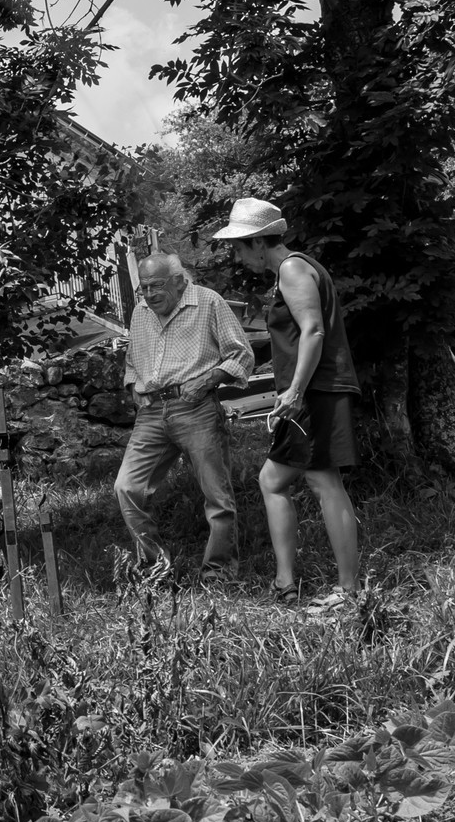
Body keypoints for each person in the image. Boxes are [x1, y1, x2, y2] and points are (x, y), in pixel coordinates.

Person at [212, 198, 361, 608]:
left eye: (240, 247)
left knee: (320, 481)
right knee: (282, 480)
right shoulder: (290, 271)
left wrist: (294, 391)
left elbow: (313, 331)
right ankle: (287, 582)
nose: (239, 257)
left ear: (260, 242)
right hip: (310, 390)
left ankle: (343, 591)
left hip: (315, 391)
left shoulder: (293, 268)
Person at [114, 252, 256, 580]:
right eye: (144, 288)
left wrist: (206, 381)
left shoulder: (208, 302)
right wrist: (134, 386)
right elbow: (133, 361)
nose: (149, 295)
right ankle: (155, 568)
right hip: (151, 413)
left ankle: (218, 573)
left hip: (197, 409)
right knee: (127, 488)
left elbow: (241, 354)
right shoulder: (140, 313)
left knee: (216, 496)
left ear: (179, 281)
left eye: (156, 286)